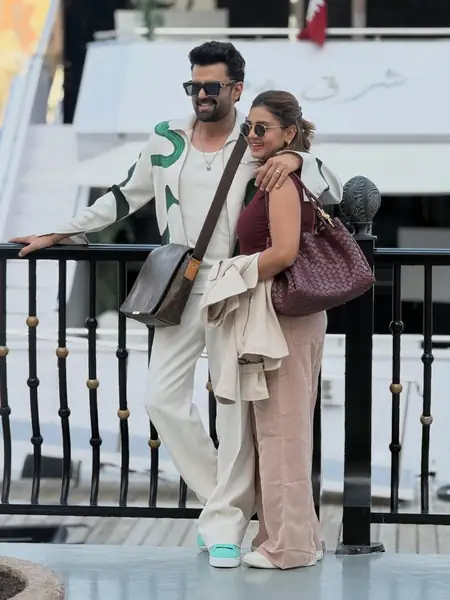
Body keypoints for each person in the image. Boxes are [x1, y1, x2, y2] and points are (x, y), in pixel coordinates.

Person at [9, 42, 342, 566]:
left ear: (236, 88)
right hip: (180, 284)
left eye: (212, 86)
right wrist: (60, 229)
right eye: (194, 86)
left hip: (236, 285)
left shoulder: (255, 141)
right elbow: (123, 196)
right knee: (161, 399)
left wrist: (295, 155)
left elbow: (329, 186)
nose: (201, 95)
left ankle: (226, 525)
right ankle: (223, 506)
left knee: (232, 411)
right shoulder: (167, 137)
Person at [228, 90, 327, 570]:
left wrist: (232, 274)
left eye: (261, 128)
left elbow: (284, 252)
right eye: (248, 127)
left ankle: (289, 547)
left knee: (282, 432)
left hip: (283, 315)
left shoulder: (282, 181)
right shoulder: (273, 173)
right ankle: (295, 538)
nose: (252, 135)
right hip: (285, 315)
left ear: (289, 133)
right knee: (279, 429)